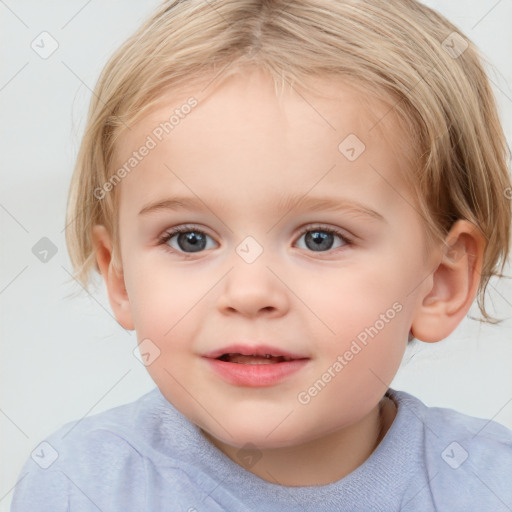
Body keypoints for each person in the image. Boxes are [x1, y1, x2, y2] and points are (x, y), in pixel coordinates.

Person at [11, 0, 512, 510]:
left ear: (440, 283)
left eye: (321, 238)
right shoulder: (80, 486)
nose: (249, 293)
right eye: (190, 239)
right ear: (119, 278)